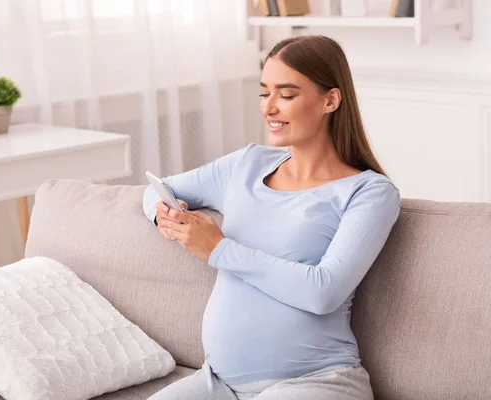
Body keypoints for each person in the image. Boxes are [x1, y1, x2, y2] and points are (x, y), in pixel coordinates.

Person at [142, 35, 400, 400]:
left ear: (331, 99)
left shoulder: (369, 192)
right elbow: (155, 188)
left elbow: (323, 291)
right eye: (264, 93)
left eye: (287, 95)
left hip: (315, 383)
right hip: (217, 384)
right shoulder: (246, 164)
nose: (269, 108)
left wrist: (218, 248)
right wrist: (166, 215)